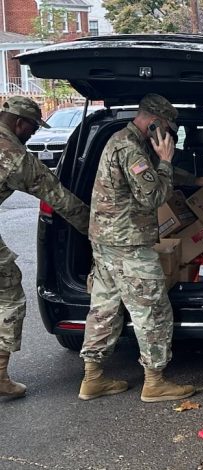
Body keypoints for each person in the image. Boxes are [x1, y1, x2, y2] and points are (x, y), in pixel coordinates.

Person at [79, 93, 197, 403]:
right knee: (153, 309)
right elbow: (153, 196)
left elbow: (148, 174)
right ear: (155, 123)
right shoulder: (131, 149)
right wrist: (169, 162)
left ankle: (92, 378)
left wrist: (194, 180)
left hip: (105, 241)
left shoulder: (124, 140)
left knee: (104, 307)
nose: (169, 136)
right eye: (168, 129)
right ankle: (155, 382)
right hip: (128, 244)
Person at [0, 97, 90, 398]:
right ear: (19, 123)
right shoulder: (14, 156)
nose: (33, 135)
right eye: (33, 128)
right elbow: (59, 198)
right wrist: (97, 231)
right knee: (9, 297)